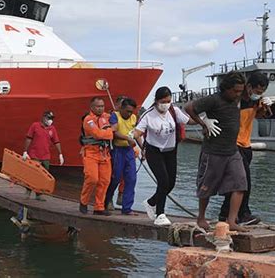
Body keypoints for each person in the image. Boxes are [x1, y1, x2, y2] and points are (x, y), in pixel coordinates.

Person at [184, 71, 248, 232]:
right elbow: (189, 107)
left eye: (240, 91)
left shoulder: (237, 99)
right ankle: (201, 217)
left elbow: (249, 94)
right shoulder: (214, 99)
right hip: (213, 151)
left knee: (240, 184)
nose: (237, 94)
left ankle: (232, 221)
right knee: (206, 186)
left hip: (232, 151)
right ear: (226, 88)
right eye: (235, 90)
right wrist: (203, 123)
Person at [219, 72, 272, 225]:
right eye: (257, 91)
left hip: (246, 144)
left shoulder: (256, 101)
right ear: (249, 86)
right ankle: (243, 214)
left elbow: (261, 116)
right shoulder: (237, 100)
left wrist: (265, 106)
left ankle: (224, 214)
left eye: (262, 92)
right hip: (234, 144)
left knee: (236, 182)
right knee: (244, 181)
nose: (258, 94)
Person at [134, 86, 191, 226]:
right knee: (163, 181)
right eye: (163, 101)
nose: (166, 104)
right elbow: (137, 132)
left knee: (170, 183)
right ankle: (160, 213)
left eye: (168, 101)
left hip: (171, 150)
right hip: (154, 151)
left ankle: (151, 202)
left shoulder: (173, 110)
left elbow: (188, 121)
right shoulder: (148, 115)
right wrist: (140, 145)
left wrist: (204, 121)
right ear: (157, 100)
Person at [105, 98, 141, 215]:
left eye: (131, 111)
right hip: (117, 150)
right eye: (127, 111)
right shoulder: (115, 116)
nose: (129, 114)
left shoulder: (134, 118)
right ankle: (107, 199)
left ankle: (127, 208)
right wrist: (127, 138)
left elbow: (136, 134)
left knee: (131, 179)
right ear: (121, 108)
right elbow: (114, 132)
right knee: (115, 178)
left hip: (129, 151)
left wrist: (143, 148)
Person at [79, 97, 113, 216]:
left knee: (104, 181)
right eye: (98, 106)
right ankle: (83, 202)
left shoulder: (107, 117)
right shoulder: (88, 120)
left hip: (104, 154)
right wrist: (110, 132)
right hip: (91, 153)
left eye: (102, 106)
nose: (100, 108)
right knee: (92, 178)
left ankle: (99, 207)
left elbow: (116, 119)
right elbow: (98, 134)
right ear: (92, 107)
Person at [23, 111, 64, 199]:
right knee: (32, 173)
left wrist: (60, 154)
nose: (50, 120)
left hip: (46, 156)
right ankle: (28, 191)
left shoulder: (52, 129)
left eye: (51, 119)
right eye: (49, 118)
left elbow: (56, 141)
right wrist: (25, 151)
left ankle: (39, 194)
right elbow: (28, 138)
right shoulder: (35, 126)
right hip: (34, 154)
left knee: (43, 175)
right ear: (43, 117)